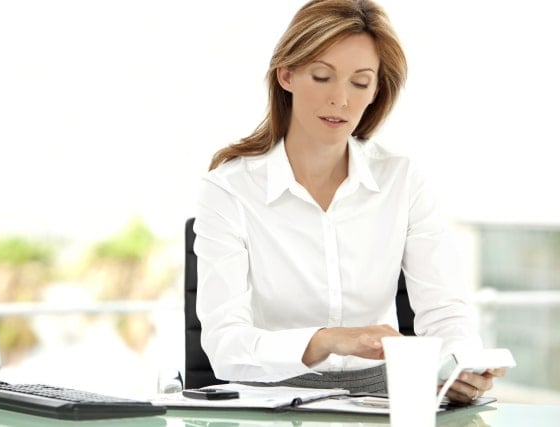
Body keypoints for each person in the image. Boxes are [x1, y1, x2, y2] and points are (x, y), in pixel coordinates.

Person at [193, 0, 504, 403]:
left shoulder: (402, 180)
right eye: (322, 77)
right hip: (269, 402)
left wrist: (460, 367)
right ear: (286, 75)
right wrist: (327, 341)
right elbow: (226, 346)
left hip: (384, 399)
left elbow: (445, 313)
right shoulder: (229, 190)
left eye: (359, 83)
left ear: (376, 90)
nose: (340, 99)